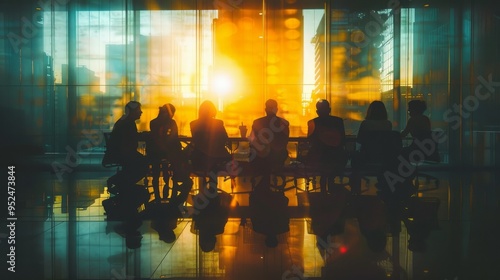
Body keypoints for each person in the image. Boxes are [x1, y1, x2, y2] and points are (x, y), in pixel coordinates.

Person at [306, 99, 348, 193]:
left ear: (317, 112)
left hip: (319, 157)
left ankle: (324, 185)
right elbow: (342, 140)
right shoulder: (338, 121)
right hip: (336, 156)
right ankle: (331, 181)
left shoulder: (312, 123)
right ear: (329, 110)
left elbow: (310, 141)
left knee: (323, 165)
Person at [190, 100, 231, 191]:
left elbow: (196, 141)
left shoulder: (193, 124)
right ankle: (213, 189)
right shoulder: (218, 123)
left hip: (200, 157)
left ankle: (206, 189)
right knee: (215, 166)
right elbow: (225, 138)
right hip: (217, 157)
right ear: (212, 111)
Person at [106, 101, 149, 186]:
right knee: (144, 164)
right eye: (138, 110)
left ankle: (123, 182)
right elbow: (130, 139)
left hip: (119, 152)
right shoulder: (128, 123)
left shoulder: (124, 120)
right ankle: (121, 182)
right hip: (124, 153)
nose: (141, 112)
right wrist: (144, 135)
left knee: (141, 163)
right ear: (132, 111)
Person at [248, 99, 290, 184]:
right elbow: (285, 140)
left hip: (260, 156)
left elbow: (252, 139)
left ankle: (263, 183)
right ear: (276, 110)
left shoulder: (257, 122)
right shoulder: (284, 123)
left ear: (265, 109)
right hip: (278, 156)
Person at [148, 104, 182, 201]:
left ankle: (156, 185)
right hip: (169, 153)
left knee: (156, 162)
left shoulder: (153, 123)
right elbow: (174, 138)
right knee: (177, 156)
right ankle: (176, 182)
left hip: (155, 153)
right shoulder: (172, 123)